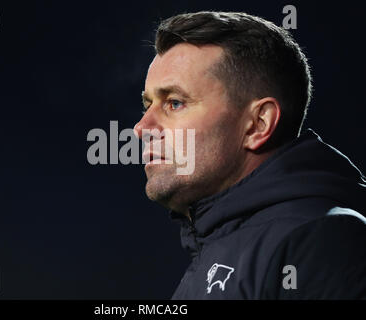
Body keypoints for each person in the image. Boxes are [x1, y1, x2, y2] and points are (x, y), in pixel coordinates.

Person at [133, 11, 366, 299]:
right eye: (148, 105)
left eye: (175, 103)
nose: (142, 128)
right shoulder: (218, 245)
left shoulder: (323, 240)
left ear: (258, 124)